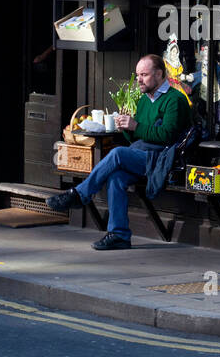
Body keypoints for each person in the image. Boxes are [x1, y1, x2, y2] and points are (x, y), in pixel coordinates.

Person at [47, 54, 192, 250]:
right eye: (138, 74)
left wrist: (135, 126)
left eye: (144, 75)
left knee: (117, 154)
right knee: (116, 177)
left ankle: (79, 194)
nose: (139, 79)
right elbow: (139, 138)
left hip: (162, 159)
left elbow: (167, 136)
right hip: (142, 154)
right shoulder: (144, 100)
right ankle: (119, 235)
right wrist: (126, 130)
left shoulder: (174, 100)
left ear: (159, 74)